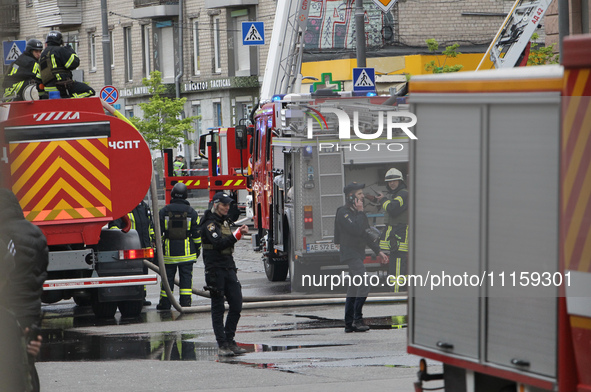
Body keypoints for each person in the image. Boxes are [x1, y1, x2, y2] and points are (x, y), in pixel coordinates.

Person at [0, 189, 48, 392]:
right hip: (31, 311)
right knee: (26, 366)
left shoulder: (5, 235)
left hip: (12, 312)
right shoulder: (35, 233)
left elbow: (7, 271)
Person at [334, 182, 388, 333]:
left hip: (357, 253)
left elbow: (365, 233)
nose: (362, 196)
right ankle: (358, 319)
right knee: (364, 283)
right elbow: (356, 229)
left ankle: (349, 323)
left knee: (353, 288)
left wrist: (379, 252)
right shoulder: (343, 212)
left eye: (362, 194)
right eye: (359, 194)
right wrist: (360, 212)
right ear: (350, 197)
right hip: (350, 253)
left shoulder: (359, 213)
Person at [201, 192, 249, 357]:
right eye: (224, 205)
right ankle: (222, 344)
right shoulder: (209, 224)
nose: (227, 208)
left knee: (236, 303)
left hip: (229, 267)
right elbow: (218, 243)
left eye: (228, 205)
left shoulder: (224, 221)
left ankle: (230, 339)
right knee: (218, 307)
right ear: (215, 204)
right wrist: (237, 235)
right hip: (215, 269)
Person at [157, 183, 201, 309]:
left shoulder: (164, 211)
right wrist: (197, 249)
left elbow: (157, 233)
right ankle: (185, 303)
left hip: (168, 254)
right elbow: (197, 235)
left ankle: (165, 304)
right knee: (186, 280)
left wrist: (158, 251)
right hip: (187, 254)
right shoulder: (192, 212)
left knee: (167, 279)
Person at [109, 199, 155, 305]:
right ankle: (132, 298)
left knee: (143, 272)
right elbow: (114, 227)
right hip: (130, 248)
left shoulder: (144, 207)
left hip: (144, 247)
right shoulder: (122, 207)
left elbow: (150, 227)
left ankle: (142, 297)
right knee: (132, 272)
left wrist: (152, 242)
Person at [376, 168, 408, 292]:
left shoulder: (403, 194)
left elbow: (393, 208)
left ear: (400, 181)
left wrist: (383, 200)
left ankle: (397, 292)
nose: (392, 183)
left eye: (394, 180)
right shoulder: (397, 195)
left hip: (400, 234)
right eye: (389, 181)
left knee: (398, 266)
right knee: (395, 265)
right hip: (396, 236)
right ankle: (396, 290)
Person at [39, 30, 95, 99]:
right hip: (62, 85)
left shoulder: (43, 54)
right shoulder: (60, 50)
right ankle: (70, 100)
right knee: (89, 91)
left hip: (48, 89)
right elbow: (73, 64)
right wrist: (70, 51)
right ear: (60, 41)